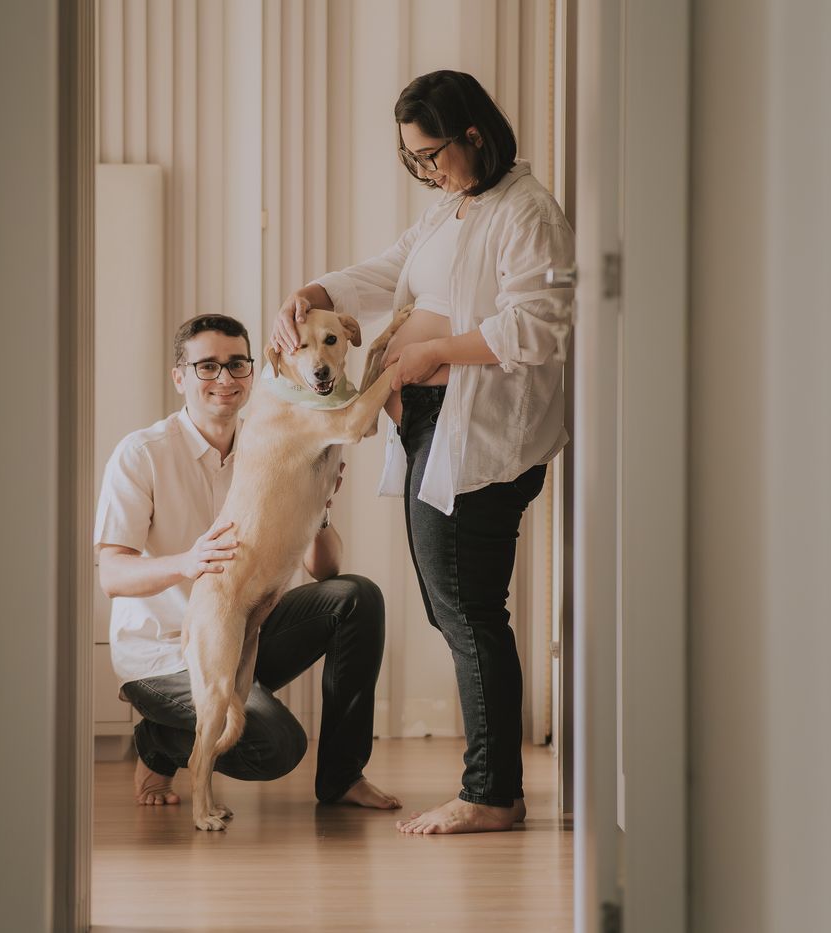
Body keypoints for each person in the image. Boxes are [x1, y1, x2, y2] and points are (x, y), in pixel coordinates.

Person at [273, 70, 574, 834]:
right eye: (411, 158)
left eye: (431, 154)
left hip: (475, 432)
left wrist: (429, 353)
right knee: (456, 611)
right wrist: (313, 292)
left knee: (469, 612)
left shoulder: (526, 212)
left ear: (473, 134)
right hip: (430, 424)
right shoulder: (453, 206)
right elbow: (389, 271)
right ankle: (492, 785)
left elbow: (539, 325)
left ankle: (492, 793)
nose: (425, 170)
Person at [95, 313, 402, 811]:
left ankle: (344, 778)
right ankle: (159, 741)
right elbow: (111, 575)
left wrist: (319, 505)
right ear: (179, 377)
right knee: (274, 745)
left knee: (356, 597)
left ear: (256, 370)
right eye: (207, 366)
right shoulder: (142, 453)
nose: (225, 378)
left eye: (237, 364)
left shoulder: (277, 430)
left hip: (248, 619)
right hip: (161, 655)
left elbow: (325, 570)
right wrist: (188, 562)